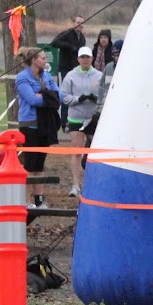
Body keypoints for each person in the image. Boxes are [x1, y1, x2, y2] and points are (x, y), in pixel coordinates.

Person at [13, 47, 60, 207]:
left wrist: (45, 95)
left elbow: (58, 96)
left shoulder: (47, 76)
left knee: (40, 164)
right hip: (30, 125)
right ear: (34, 60)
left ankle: (39, 199)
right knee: (30, 164)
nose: (45, 61)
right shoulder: (22, 78)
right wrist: (48, 96)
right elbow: (32, 100)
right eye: (43, 58)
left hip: (45, 123)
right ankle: (26, 200)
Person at [57, 46, 102, 197]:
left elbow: (106, 95)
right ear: (78, 59)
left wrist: (96, 100)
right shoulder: (70, 76)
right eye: (82, 57)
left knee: (93, 152)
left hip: (93, 117)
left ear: (92, 59)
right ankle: (75, 185)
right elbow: (64, 97)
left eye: (87, 57)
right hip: (76, 117)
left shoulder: (99, 76)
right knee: (76, 150)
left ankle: (92, 184)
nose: (85, 60)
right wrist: (78, 99)